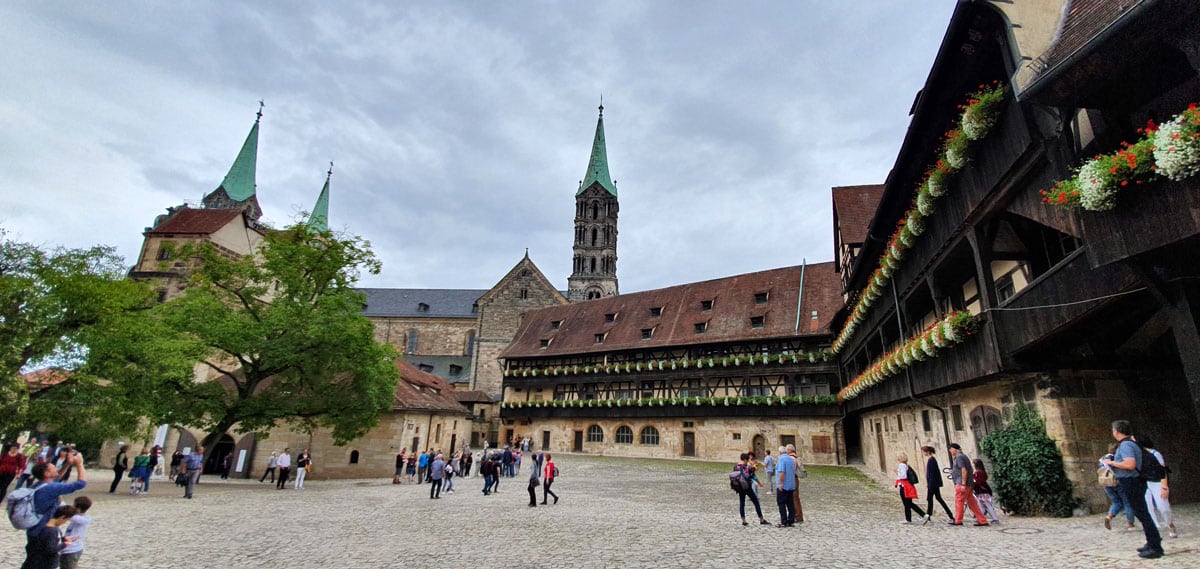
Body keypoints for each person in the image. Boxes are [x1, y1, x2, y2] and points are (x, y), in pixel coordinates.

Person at [1102, 420, 1163, 558]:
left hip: (1132, 481)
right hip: (1133, 481)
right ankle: (1152, 541)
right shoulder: (1130, 443)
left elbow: (1130, 464)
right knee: (1142, 513)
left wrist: (1111, 463)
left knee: (1142, 514)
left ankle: (1155, 546)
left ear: (1116, 431)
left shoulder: (1126, 445)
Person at [23, 455, 87, 562]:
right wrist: (80, 464)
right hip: (44, 530)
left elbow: (56, 479)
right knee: (43, 562)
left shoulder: (39, 485)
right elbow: (81, 483)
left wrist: (68, 464)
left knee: (33, 559)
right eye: (54, 468)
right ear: (47, 473)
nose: (57, 469)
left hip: (33, 529)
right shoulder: (50, 488)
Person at [1136, 435, 1177, 539]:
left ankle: (1170, 524)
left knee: (1162, 506)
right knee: (1148, 507)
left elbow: (1163, 470)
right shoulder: (1138, 456)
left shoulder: (1155, 454)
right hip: (1146, 483)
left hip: (1157, 482)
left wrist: (1164, 486)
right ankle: (1154, 529)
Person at [22, 505, 76, 569]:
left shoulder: (45, 527)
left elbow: (47, 541)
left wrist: (63, 539)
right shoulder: (51, 531)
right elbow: (50, 549)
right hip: (43, 565)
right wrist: (64, 544)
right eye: (66, 520)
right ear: (62, 517)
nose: (64, 523)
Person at [947, 443, 988, 526]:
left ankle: (958, 520)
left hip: (962, 484)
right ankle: (982, 520)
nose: (950, 452)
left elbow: (964, 470)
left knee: (959, 501)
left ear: (954, 449)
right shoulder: (963, 456)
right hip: (968, 484)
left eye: (951, 450)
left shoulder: (959, 457)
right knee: (972, 503)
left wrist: (963, 484)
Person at [1100, 443, 1136, 531]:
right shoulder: (1116, 458)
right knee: (1127, 502)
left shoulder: (1103, 459)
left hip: (1107, 483)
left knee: (1116, 502)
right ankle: (1130, 524)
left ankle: (1109, 516)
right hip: (1118, 481)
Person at [733, 453, 770, 526]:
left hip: (740, 487)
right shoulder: (747, 467)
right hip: (747, 487)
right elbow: (753, 476)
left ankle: (743, 520)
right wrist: (759, 482)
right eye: (747, 460)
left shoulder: (735, 467)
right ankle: (761, 519)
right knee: (756, 502)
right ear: (745, 460)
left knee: (742, 503)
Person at [921, 446, 955, 523]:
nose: (923, 453)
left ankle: (928, 516)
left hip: (933, 484)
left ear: (928, 452)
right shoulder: (931, 460)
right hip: (933, 484)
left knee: (931, 499)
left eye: (924, 451)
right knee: (937, 499)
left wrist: (930, 485)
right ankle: (949, 515)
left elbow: (932, 474)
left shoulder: (931, 460)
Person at [896, 453, 930, 524]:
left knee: (907, 503)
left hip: (904, 486)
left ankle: (922, 515)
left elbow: (903, 476)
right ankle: (917, 516)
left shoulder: (901, 465)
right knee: (909, 503)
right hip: (908, 486)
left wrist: (897, 472)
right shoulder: (906, 465)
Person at [59, 496, 92, 569]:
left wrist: (61, 502)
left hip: (73, 550)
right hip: (67, 549)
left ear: (79, 509)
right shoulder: (77, 516)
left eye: (74, 505)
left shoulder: (85, 519)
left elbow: (71, 517)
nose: (72, 507)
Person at [972, 459, 1001, 524]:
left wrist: (973, 481)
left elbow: (978, 482)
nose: (973, 465)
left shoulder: (978, 473)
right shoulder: (982, 472)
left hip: (982, 491)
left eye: (974, 464)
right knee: (982, 506)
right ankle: (980, 518)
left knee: (987, 505)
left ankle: (995, 519)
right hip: (982, 491)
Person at [775, 446, 796, 527]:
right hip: (791, 484)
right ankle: (791, 520)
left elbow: (781, 472)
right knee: (790, 503)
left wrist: (780, 483)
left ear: (780, 453)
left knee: (781, 503)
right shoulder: (791, 459)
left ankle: (784, 521)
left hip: (784, 485)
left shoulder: (781, 460)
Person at [786, 444, 805, 523]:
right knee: (796, 498)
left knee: (794, 498)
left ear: (790, 450)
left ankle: (797, 515)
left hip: (792, 478)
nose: (786, 451)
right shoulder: (796, 457)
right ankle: (798, 515)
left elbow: (791, 469)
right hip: (795, 478)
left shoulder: (791, 458)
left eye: (787, 450)